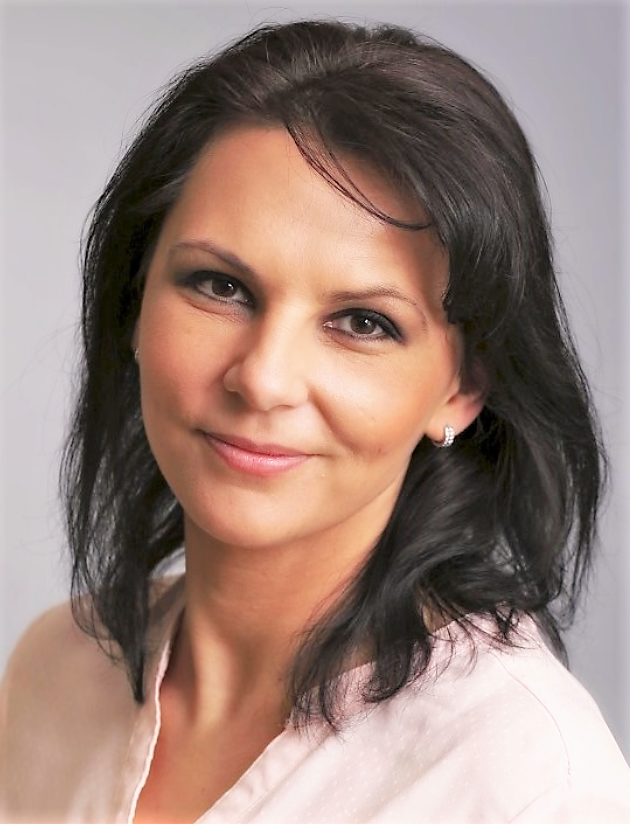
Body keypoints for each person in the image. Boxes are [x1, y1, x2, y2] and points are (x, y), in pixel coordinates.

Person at [1, 18, 629, 824]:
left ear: (463, 388)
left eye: (363, 322)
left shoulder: (528, 785)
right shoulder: (54, 673)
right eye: (220, 286)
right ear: (135, 302)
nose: (263, 378)